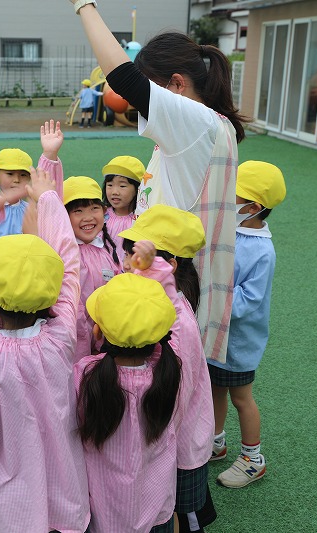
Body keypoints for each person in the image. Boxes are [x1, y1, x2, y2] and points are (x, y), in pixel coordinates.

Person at [69, 0, 248, 367]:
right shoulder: (212, 125)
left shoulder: (194, 121)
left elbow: (121, 78)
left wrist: (83, 6)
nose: (140, 103)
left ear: (177, 86)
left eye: (154, 93)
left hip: (170, 287)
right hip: (177, 284)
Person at [0, 167, 91, 533]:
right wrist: (47, 200)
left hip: (8, 505)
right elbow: (68, 258)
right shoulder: (62, 334)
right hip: (68, 492)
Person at [119, 206, 217, 533]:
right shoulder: (168, 303)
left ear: (168, 265)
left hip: (175, 441)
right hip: (173, 438)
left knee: (174, 513)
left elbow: (174, 394)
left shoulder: (176, 321)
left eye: (138, 257)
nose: (130, 263)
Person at [75, 271, 182, 533]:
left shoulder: (86, 374)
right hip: (156, 505)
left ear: (98, 330)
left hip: (102, 509)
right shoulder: (169, 370)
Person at [209, 161, 286, 489]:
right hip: (215, 335)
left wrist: (209, 301)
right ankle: (213, 441)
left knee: (242, 398)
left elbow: (249, 300)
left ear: (252, 207)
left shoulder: (261, 251)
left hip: (237, 341)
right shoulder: (230, 229)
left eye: (231, 196)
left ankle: (253, 459)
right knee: (214, 390)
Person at [63, 175, 121, 357]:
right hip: (76, 340)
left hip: (106, 336)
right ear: (64, 216)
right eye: (78, 211)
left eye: (94, 208)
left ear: (104, 210)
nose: (87, 218)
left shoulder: (106, 246)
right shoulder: (66, 253)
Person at [0, 120, 65, 243]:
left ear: (29, 178)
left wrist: (50, 155)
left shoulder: (31, 210)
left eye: (23, 175)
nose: (16, 180)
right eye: (10, 174)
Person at [102, 155, 146, 262]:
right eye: (110, 185)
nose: (114, 192)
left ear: (138, 189)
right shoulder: (101, 215)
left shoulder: (142, 219)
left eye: (122, 186)